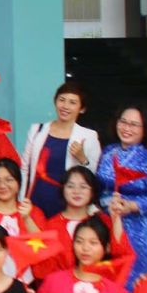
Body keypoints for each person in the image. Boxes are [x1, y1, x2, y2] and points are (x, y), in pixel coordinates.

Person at [95, 105, 147, 286]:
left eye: (134, 125)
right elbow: (100, 187)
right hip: (111, 222)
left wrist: (131, 206)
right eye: (123, 122)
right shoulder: (108, 152)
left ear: (145, 129)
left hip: (142, 227)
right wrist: (105, 204)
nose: (127, 128)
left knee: (142, 280)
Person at [19, 81, 101, 217]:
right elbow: (25, 168)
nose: (65, 106)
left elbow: (93, 178)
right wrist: (21, 199)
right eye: (62, 100)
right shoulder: (37, 130)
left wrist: (82, 158)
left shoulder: (89, 136)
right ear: (55, 101)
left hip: (67, 206)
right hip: (34, 202)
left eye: (72, 102)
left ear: (82, 109)